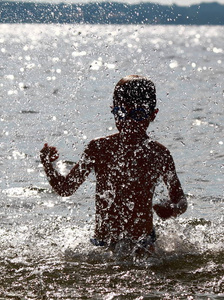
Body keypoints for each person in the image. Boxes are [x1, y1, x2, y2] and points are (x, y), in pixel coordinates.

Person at [40, 75, 187, 257]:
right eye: (121, 113)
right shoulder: (99, 148)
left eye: (138, 115)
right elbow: (65, 188)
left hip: (143, 242)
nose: (128, 122)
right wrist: (48, 165)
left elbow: (180, 200)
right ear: (113, 110)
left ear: (152, 115)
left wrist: (172, 209)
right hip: (102, 243)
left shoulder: (158, 154)